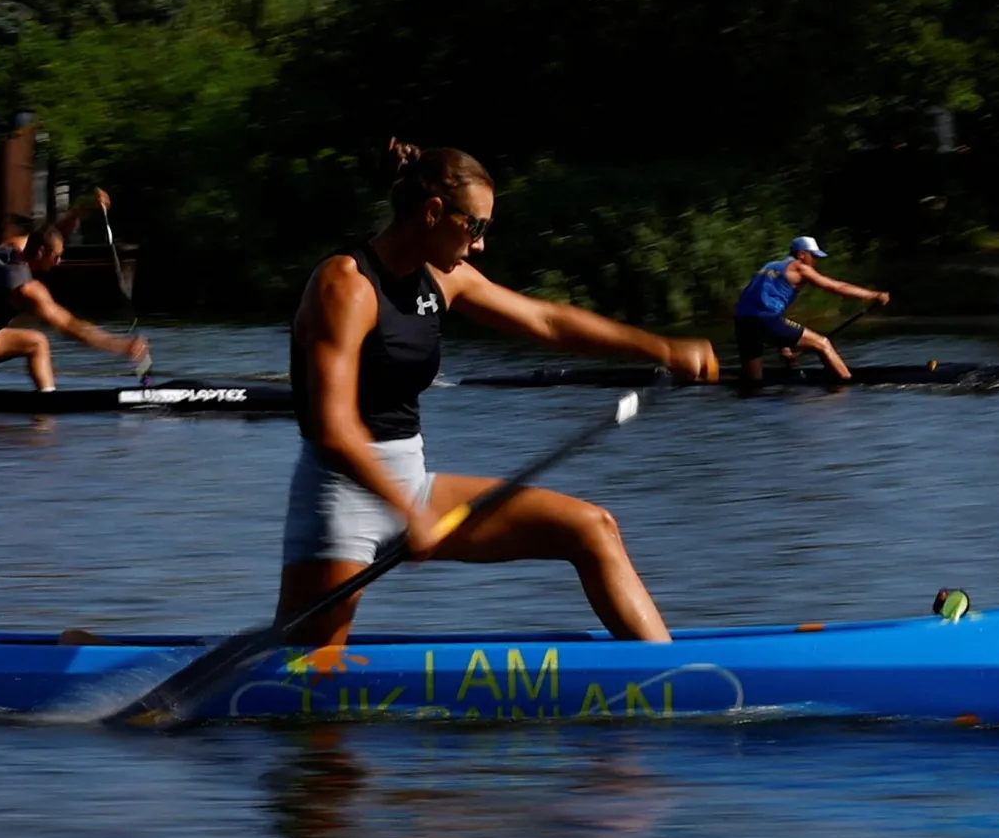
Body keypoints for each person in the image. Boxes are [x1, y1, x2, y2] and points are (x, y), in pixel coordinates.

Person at [277, 139, 720, 648]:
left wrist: (661, 347)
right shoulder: (346, 285)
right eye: (476, 226)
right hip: (344, 497)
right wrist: (406, 510)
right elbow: (334, 429)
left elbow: (548, 321)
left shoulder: (443, 278)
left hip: (411, 483)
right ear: (433, 212)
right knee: (308, 679)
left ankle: (663, 671)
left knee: (591, 528)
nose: (481, 243)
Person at [0, 188, 148, 392]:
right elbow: (70, 327)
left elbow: (51, 235)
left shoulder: (14, 246)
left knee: (37, 342)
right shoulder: (27, 289)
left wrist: (81, 209)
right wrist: (120, 345)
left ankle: (48, 404)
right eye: (57, 257)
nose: (59, 263)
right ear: (41, 253)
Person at [733, 236, 888, 384]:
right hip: (765, 319)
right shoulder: (799, 268)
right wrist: (874, 295)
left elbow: (759, 302)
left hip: (742, 321)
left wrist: (784, 345)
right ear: (801, 254)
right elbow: (836, 287)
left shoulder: (770, 266)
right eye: (813, 256)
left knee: (754, 382)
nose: (815, 261)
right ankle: (848, 385)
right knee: (822, 344)